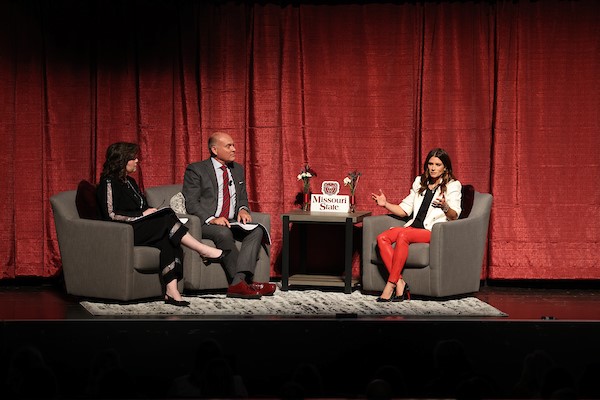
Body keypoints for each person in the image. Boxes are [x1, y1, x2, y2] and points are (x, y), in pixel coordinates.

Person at [96, 142, 225, 307]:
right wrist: (142, 214)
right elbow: (111, 214)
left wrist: (149, 210)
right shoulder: (108, 183)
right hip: (124, 231)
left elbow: (141, 207)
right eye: (133, 158)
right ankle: (202, 249)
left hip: (139, 227)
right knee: (167, 218)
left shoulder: (131, 183)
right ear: (122, 160)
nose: (137, 161)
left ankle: (171, 291)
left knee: (170, 238)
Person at [182, 132, 275, 299]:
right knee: (223, 232)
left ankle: (239, 283)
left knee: (257, 230)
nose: (234, 149)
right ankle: (245, 284)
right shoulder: (196, 169)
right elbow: (191, 203)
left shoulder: (237, 169)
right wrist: (212, 219)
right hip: (206, 223)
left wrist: (243, 209)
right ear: (215, 150)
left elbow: (242, 196)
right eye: (229, 146)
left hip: (231, 221)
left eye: (233, 145)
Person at [371, 148, 461, 302]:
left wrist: (445, 206)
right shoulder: (420, 182)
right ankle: (400, 282)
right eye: (430, 164)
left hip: (432, 230)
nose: (433, 168)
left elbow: (454, 216)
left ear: (445, 167)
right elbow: (404, 210)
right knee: (382, 238)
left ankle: (391, 285)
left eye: (437, 164)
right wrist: (385, 204)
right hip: (413, 227)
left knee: (403, 234)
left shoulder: (453, 185)